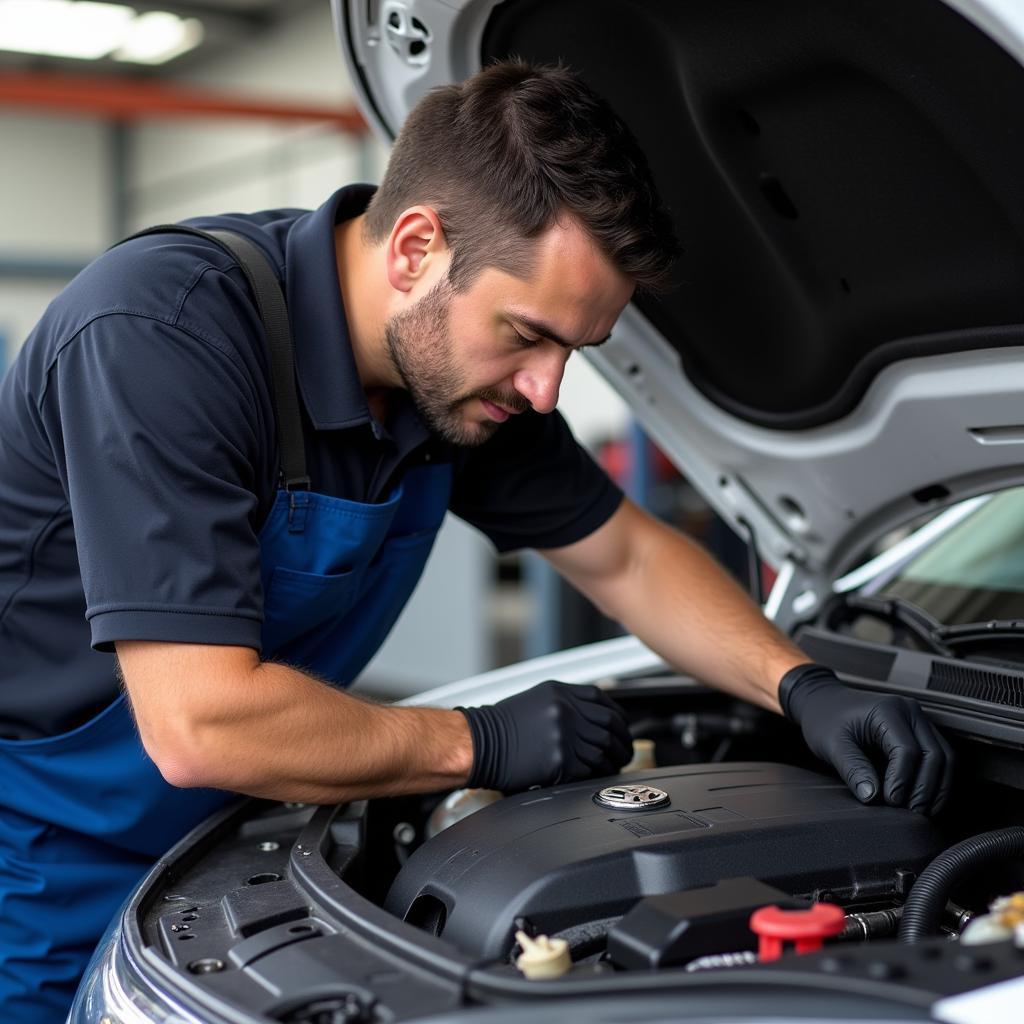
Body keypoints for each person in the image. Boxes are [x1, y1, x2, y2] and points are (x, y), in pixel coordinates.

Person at [0, 60, 951, 1023]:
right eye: (528, 335)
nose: (545, 391)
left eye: (570, 354)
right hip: (39, 864)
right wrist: (480, 741)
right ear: (416, 248)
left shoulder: (457, 379)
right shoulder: (162, 335)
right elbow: (200, 721)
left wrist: (800, 686)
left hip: (231, 842)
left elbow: (626, 556)